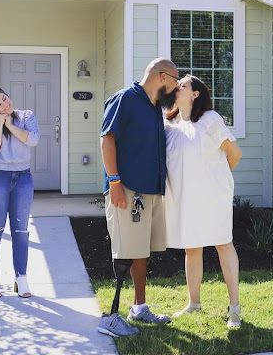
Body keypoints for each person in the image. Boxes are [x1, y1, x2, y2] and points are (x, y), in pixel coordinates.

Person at [98, 58, 179, 337]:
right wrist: (114, 183)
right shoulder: (125, 99)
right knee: (124, 253)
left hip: (150, 191)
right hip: (127, 189)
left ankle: (139, 308)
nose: (175, 88)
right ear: (162, 77)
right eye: (175, 82)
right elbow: (107, 139)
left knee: (140, 251)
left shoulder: (155, 107)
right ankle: (111, 318)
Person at [164, 75, 243, 328]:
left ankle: (234, 310)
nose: (177, 87)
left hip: (213, 196)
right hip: (185, 198)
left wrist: (217, 180)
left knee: (223, 244)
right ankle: (194, 304)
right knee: (192, 248)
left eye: (182, 85)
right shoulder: (169, 124)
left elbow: (235, 154)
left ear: (195, 94)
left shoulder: (210, 119)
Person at [0, 86, 40, 298]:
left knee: (21, 230)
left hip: (23, 177)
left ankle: (21, 278)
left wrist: (10, 125)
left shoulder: (26, 116)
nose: (5, 104)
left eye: (5, 98)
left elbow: (33, 140)